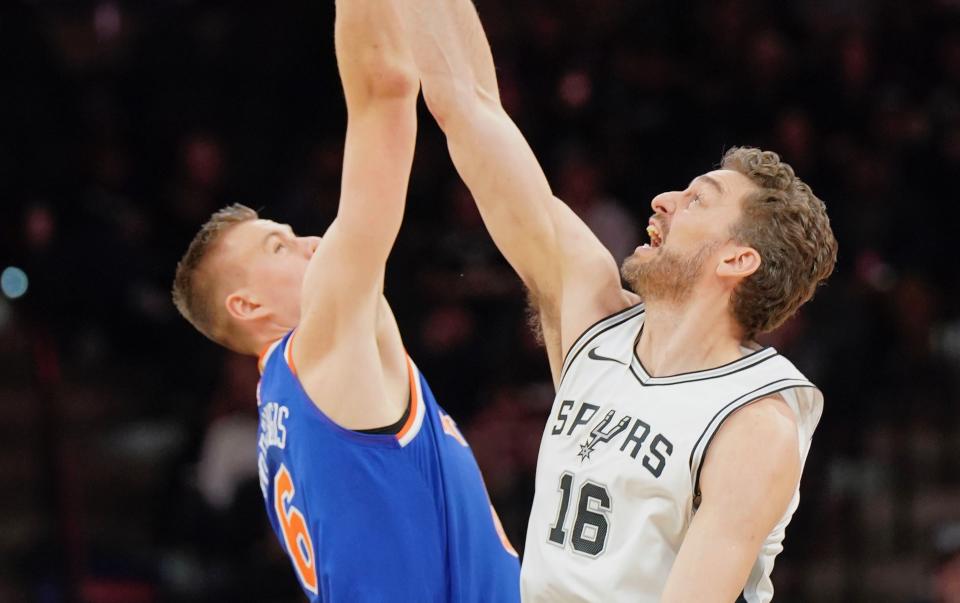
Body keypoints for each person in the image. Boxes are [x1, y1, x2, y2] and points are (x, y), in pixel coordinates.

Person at [401, 1, 837, 601]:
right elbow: (469, 108)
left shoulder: (752, 422)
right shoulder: (594, 314)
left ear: (737, 260)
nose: (662, 199)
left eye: (698, 201)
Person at [170, 0, 520, 600]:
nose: (309, 243)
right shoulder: (322, 345)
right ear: (248, 306)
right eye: (278, 247)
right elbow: (384, 91)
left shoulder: (281, 414)